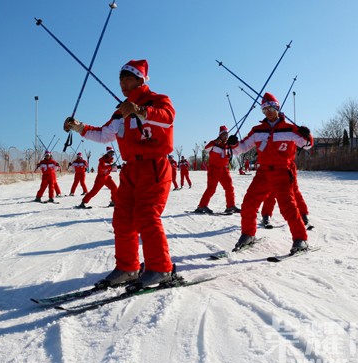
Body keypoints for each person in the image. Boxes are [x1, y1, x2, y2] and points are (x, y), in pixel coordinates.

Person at [64, 58, 176, 288]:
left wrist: (140, 110)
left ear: (140, 79)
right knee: (122, 219)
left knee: (147, 215)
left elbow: (168, 119)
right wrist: (78, 127)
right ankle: (128, 267)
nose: (123, 83)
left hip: (154, 167)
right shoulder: (120, 112)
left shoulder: (158, 100)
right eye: (121, 79)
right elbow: (104, 134)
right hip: (130, 170)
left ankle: (160, 268)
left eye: (128, 78)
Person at [229, 92, 313, 254]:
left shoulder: (289, 128)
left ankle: (300, 238)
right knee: (249, 204)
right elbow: (241, 149)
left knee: (287, 206)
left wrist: (307, 134)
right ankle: (248, 234)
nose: (267, 111)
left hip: (282, 171)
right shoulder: (258, 130)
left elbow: (307, 145)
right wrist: (233, 144)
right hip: (263, 173)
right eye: (264, 109)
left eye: (270, 108)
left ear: (277, 107)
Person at [193, 125, 240, 214]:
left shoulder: (227, 146)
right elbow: (206, 149)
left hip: (224, 169)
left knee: (229, 187)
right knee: (211, 188)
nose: (226, 136)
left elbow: (237, 149)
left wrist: (234, 142)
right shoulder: (214, 143)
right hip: (214, 169)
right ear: (220, 135)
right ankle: (202, 205)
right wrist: (215, 142)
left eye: (227, 134)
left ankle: (230, 206)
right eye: (224, 134)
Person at [260, 161, 310, 228]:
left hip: (288, 165)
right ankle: (266, 216)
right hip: (273, 165)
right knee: (271, 191)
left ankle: (303, 215)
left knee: (294, 190)